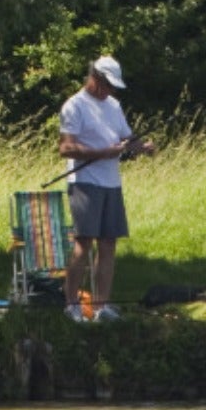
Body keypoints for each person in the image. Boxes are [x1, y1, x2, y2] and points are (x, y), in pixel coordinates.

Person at [57, 54, 155, 320]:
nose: (110, 90)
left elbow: (126, 138)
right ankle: (71, 304)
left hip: (111, 182)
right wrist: (103, 152)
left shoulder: (113, 105)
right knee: (84, 242)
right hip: (85, 183)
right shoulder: (74, 106)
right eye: (108, 84)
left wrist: (141, 147)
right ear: (95, 78)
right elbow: (65, 148)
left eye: (113, 86)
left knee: (109, 243)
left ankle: (101, 306)